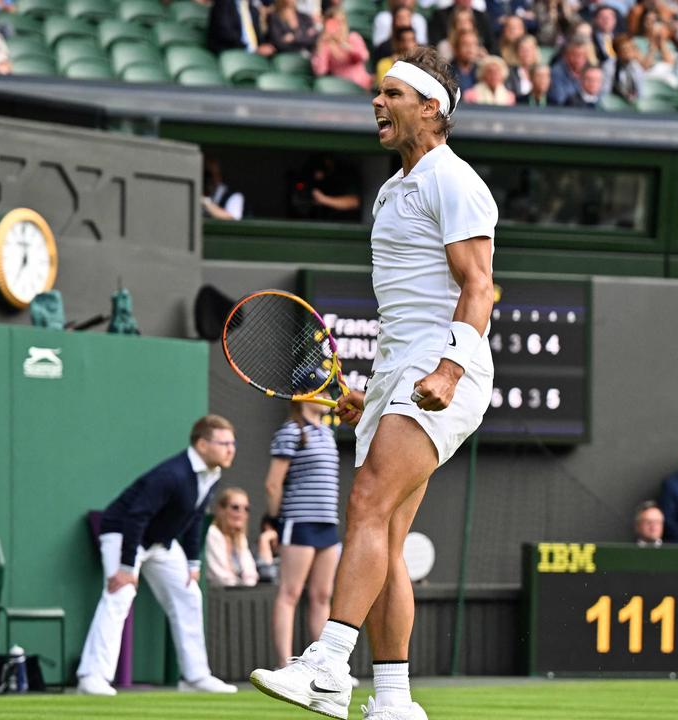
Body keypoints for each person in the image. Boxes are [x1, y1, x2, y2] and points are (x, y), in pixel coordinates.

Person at [250, 46, 497, 720]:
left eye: (392, 94)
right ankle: (393, 699)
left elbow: (479, 287)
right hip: (400, 369)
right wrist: (378, 388)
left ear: (431, 109)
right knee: (383, 535)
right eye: (376, 94)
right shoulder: (392, 190)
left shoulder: (453, 179)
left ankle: (328, 665)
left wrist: (447, 369)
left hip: (445, 364)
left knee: (363, 502)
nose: (377, 104)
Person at [75, 415, 239, 696]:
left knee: (188, 594)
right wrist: (127, 567)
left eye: (232, 443)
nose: (231, 449)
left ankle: (195, 677)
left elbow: (195, 517)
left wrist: (192, 562)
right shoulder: (172, 475)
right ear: (201, 444)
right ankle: (92, 676)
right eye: (224, 443)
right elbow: (136, 518)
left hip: (160, 542)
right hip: (123, 532)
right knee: (120, 593)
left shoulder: (211, 474)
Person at [265, 400, 343, 670]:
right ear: (302, 396)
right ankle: (284, 665)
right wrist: (272, 521)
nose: (325, 398)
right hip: (298, 521)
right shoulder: (290, 431)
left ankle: (324, 667)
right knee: (290, 592)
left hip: (327, 524)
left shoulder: (327, 433)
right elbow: (273, 483)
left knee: (322, 596)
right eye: (318, 391)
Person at [205, 487, 259, 587]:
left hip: (236, 595)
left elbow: (251, 573)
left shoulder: (240, 538)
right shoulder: (212, 534)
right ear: (221, 510)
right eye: (235, 507)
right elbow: (221, 577)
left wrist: (248, 585)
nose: (241, 513)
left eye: (246, 509)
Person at [312, 8, 370, 91]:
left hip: (361, 87)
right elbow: (320, 71)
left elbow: (363, 57)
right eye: (335, 23)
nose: (340, 26)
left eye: (342, 22)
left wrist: (344, 45)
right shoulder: (326, 45)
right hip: (340, 89)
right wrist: (321, 46)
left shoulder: (353, 38)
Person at [202, 156, 245, 221]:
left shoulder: (234, 196)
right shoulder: (198, 191)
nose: (209, 179)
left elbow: (232, 218)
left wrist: (205, 202)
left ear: (219, 176)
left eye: (211, 175)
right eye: (206, 175)